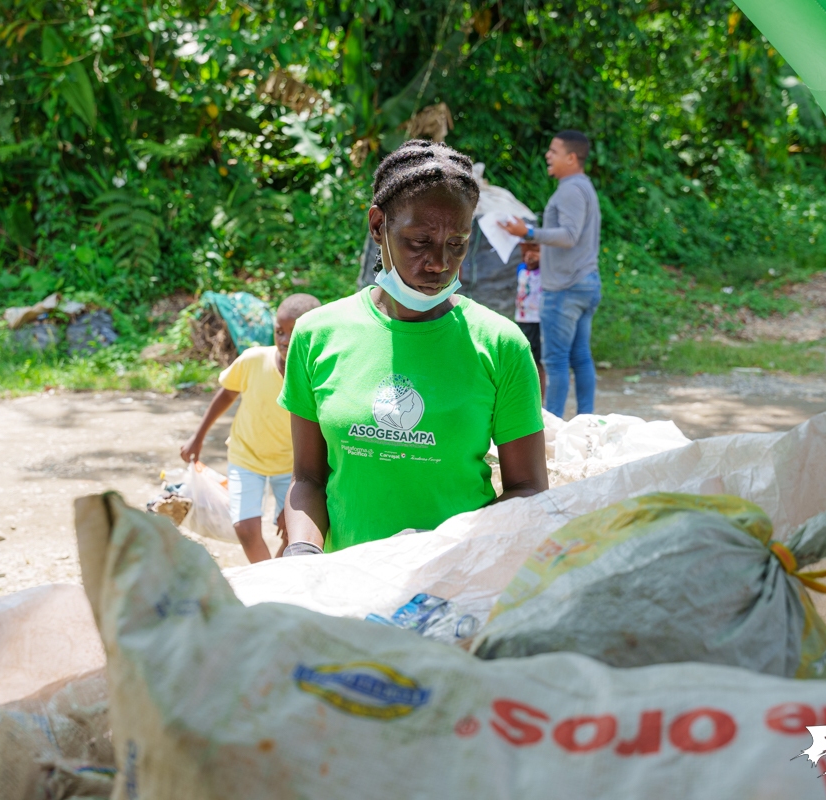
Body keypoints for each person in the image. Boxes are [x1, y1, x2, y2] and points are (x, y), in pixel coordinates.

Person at [277, 140, 549, 557]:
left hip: (452, 587)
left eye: (456, 243)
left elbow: (527, 489)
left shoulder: (500, 345)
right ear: (377, 226)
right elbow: (309, 479)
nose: (439, 262)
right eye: (419, 241)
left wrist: (440, 549)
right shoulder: (317, 334)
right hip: (346, 585)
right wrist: (302, 553)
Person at [180, 293, 321, 562]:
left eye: (294, 332)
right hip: (246, 457)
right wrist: (197, 437)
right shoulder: (254, 360)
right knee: (245, 529)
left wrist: (303, 487)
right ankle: (266, 576)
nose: (284, 340)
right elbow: (226, 394)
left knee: (295, 532)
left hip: (292, 468)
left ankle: (275, 576)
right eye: (279, 331)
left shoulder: (317, 376)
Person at [499, 130, 601, 417]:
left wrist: (527, 232)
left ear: (571, 158)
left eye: (554, 151)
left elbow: (569, 235)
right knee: (580, 357)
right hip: (585, 282)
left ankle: (552, 425)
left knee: (555, 362)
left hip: (565, 288)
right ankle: (586, 421)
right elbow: (575, 239)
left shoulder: (569, 190)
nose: (548, 155)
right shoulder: (584, 187)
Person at [514, 241, 546, 398]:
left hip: (537, 321)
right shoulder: (521, 269)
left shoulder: (543, 272)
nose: (528, 258)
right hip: (522, 320)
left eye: (533, 255)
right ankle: (526, 393)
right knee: (524, 357)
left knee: (538, 361)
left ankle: (541, 398)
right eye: (525, 255)